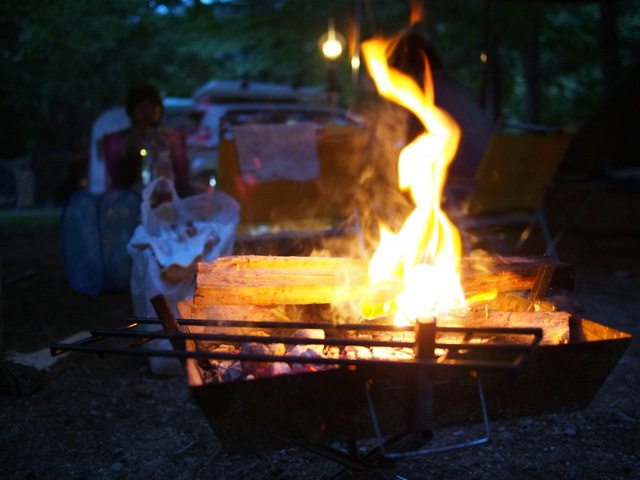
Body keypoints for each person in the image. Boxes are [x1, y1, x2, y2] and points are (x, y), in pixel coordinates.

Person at [389, 31, 496, 179]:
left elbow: (410, 146)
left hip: (461, 183)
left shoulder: (424, 94)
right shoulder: (453, 88)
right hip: (489, 180)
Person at [103, 84, 192, 196]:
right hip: (129, 199)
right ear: (132, 110)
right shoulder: (118, 140)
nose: (147, 112)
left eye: (152, 106)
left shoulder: (172, 138)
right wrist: (132, 150)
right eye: (142, 107)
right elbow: (117, 179)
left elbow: (181, 174)